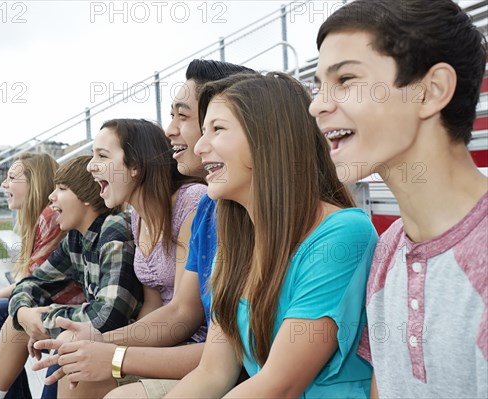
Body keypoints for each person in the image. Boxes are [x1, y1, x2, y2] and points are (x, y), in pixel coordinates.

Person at [32, 60, 254, 399]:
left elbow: (187, 317)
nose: (169, 130)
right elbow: (159, 310)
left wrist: (109, 349)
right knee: (73, 371)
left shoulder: (198, 204)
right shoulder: (195, 208)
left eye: (184, 116)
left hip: (201, 354)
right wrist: (98, 344)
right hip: (192, 351)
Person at [309, 0, 487, 397]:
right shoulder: (389, 248)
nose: (317, 104)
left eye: (346, 80)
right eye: (319, 85)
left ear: (431, 90)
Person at [164, 72, 377, 398]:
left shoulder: (343, 234)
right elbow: (212, 373)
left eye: (218, 129)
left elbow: (279, 386)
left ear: (268, 139)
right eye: (203, 130)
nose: (200, 146)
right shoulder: (235, 244)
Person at [0, 155, 143, 399]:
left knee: (63, 338)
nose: (52, 197)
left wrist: (44, 319)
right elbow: (30, 284)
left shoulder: (114, 227)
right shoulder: (76, 238)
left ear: (87, 197)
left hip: (127, 345)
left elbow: (108, 318)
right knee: (18, 320)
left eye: (62, 189)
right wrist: (25, 313)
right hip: (88, 335)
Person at [0, 152, 72, 399]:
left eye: (11, 178)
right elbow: (27, 283)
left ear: (33, 184)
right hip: (50, 309)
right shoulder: (37, 219)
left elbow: (30, 285)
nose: (4, 184)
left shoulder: (51, 216)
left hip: (67, 316)